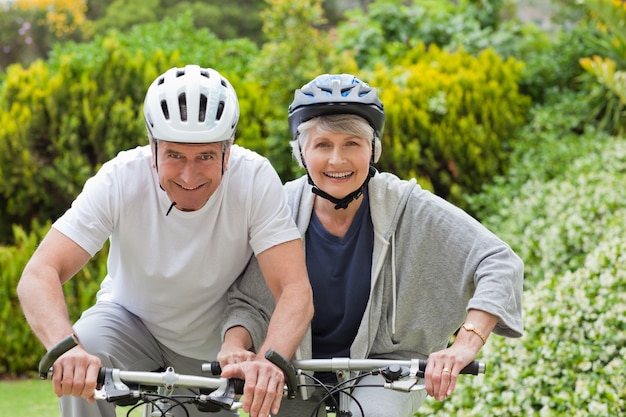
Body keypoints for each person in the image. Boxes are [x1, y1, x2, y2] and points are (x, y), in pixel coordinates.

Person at [17, 65, 314, 417]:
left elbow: (295, 289)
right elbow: (39, 274)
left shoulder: (255, 179)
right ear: (152, 146)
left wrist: (269, 361)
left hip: (211, 350)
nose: (189, 176)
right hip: (128, 320)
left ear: (228, 151)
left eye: (205, 156)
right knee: (86, 345)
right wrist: (65, 350)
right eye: (174, 155)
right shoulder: (119, 178)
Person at [220, 74, 524, 416]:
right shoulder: (280, 207)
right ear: (301, 153)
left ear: (373, 149)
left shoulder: (407, 205)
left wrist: (464, 344)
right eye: (323, 145)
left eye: (352, 143)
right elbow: (248, 301)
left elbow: (498, 261)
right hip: (294, 369)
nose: (337, 160)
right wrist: (235, 345)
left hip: (384, 367)